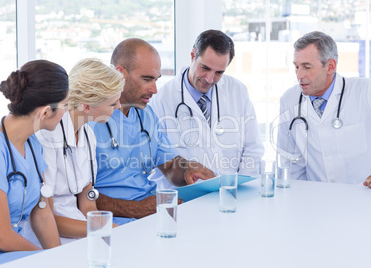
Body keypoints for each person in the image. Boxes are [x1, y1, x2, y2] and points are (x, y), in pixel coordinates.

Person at [88, 38, 215, 225]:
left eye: (156, 80)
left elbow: (169, 165)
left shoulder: (146, 115)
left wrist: (188, 168)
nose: (154, 89)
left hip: (149, 214)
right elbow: (79, 196)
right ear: (120, 74)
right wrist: (133, 208)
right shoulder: (90, 119)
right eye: (147, 79)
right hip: (111, 221)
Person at [0, 60, 68, 267]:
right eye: (65, 105)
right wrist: (50, 260)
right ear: (45, 112)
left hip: (13, 254)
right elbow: (1, 236)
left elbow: (41, 212)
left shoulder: (33, 144)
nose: (66, 112)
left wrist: (60, 257)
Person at [21, 58, 123, 246]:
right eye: (113, 104)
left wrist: (110, 229)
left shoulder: (88, 135)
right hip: (47, 236)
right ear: (86, 106)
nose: (118, 108)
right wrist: (104, 229)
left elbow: (87, 202)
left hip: (81, 229)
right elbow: (45, 218)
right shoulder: (46, 136)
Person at [149, 29, 264, 189]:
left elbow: (253, 148)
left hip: (231, 196)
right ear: (192, 55)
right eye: (205, 68)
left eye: (219, 73)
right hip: (186, 202)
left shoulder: (237, 91)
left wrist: (238, 188)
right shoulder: (160, 100)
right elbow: (160, 164)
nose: (209, 79)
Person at [277, 31, 371, 186]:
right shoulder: (289, 100)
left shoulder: (365, 91)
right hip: (316, 201)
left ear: (330, 66)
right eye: (296, 67)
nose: (299, 75)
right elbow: (291, 163)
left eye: (307, 67)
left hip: (363, 199)